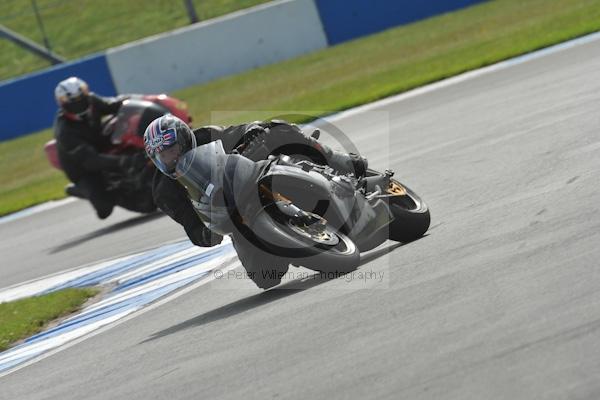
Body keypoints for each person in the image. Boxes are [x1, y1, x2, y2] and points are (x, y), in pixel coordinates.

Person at [144, 114, 367, 288]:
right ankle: (292, 241)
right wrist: (205, 235)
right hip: (233, 215)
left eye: (172, 150)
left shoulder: (206, 136)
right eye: (162, 156)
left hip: (251, 175)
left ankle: (342, 162)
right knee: (266, 278)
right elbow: (190, 224)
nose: (170, 159)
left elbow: (239, 131)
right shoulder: (164, 191)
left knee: (278, 130)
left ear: (184, 140)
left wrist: (252, 131)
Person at [53, 77, 142, 219]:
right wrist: (124, 161)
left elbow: (114, 104)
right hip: (82, 168)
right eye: (74, 103)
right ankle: (80, 190)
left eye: (81, 99)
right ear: (64, 105)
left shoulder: (93, 101)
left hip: (98, 144)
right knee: (104, 209)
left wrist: (138, 101)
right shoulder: (65, 131)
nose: (79, 105)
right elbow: (91, 161)